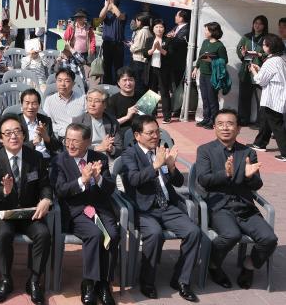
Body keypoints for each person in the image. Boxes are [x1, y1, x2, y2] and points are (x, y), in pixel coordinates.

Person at [195, 109, 278, 289]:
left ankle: (249, 265)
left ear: (238, 128)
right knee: (231, 234)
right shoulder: (205, 150)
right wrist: (225, 174)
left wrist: (249, 177)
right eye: (220, 124)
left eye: (230, 124)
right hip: (219, 207)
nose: (225, 128)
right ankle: (213, 264)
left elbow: (257, 185)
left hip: (245, 206)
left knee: (269, 238)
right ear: (215, 128)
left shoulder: (248, 152)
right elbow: (203, 180)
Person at [120, 115, 200, 301]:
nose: (155, 136)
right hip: (143, 209)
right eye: (150, 133)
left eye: (157, 132)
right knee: (154, 233)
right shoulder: (129, 154)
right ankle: (147, 281)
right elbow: (133, 179)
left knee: (193, 232)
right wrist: (156, 166)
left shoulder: (160, 151)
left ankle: (181, 280)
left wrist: (171, 167)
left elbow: (179, 182)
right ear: (137, 135)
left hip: (167, 205)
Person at [0, 115, 53, 305]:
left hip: (29, 212)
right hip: (3, 213)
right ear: (0, 138)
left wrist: (46, 198)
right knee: (4, 234)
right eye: (8, 133)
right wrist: (3, 191)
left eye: (17, 131)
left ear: (23, 134)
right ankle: (6, 279)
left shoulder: (35, 157)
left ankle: (34, 281)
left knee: (44, 234)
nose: (13, 136)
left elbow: (45, 184)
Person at [50, 123, 118, 305]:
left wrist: (98, 178)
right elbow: (60, 190)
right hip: (76, 212)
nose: (70, 145)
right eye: (67, 140)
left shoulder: (100, 158)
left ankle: (103, 284)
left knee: (112, 235)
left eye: (75, 141)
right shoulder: (59, 161)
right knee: (95, 235)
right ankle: (88, 283)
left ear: (87, 142)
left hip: (101, 210)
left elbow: (110, 189)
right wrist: (82, 180)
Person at [248, 34, 286, 159]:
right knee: (267, 121)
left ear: (270, 46)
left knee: (277, 125)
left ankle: (285, 153)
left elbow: (260, 80)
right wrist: (260, 69)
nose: (263, 46)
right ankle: (260, 144)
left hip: (273, 98)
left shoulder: (271, 61)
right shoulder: (280, 59)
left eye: (264, 44)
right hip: (275, 97)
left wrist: (254, 71)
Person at [192, 22, 228, 129]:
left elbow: (224, 60)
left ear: (212, 31)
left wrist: (211, 60)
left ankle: (213, 120)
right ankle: (206, 118)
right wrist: (196, 67)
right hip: (203, 74)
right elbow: (200, 56)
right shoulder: (205, 42)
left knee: (212, 98)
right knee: (204, 97)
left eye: (207, 30)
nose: (205, 32)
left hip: (212, 75)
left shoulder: (219, 45)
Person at [236, 15, 268, 126]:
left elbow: (270, 52)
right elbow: (239, 48)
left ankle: (261, 122)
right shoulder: (247, 37)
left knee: (261, 99)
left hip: (260, 70)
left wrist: (260, 54)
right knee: (244, 97)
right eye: (256, 23)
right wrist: (243, 52)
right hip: (246, 70)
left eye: (260, 23)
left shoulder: (267, 38)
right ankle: (243, 119)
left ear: (264, 26)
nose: (257, 25)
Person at [73, 88, 121, 158]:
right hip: (86, 157)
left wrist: (111, 149)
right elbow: (75, 146)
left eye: (96, 101)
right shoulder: (78, 121)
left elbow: (119, 148)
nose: (92, 104)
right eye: (89, 100)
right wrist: (96, 148)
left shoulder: (112, 121)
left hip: (108, 157)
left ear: (105, 105)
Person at [42, 68, 86, 140]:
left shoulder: (83, 99)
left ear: (73, 84)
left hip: (80, 138)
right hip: (59, 138)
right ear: (56, 82)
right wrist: (63, 131)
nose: (62, 84)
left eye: (67, 81)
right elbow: (48, 122)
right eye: (59, 80)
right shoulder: (49, 100)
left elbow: (87, 121)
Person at [17, 89, 61, 159]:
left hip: (46, 159)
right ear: (22, 104)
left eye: (34, 103)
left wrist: (46, 138)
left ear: (39, 105)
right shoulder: (16, 122)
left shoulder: (45, 120)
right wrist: (33, 142)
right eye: (27, 103)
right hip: (27, 160)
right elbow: (12, 146)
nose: (30, 107)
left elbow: (56, 147)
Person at [165, 10, 190, 119]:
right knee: (171, 86)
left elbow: (179, 42)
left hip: (179, 62)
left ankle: (178, 107)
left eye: (176, 15)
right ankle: (173, 106)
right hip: (170, 61)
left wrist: (172, 37)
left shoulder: (187, 29)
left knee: (178, 86)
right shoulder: (176, 28)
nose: (175, 17)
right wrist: (170, 37)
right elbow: (167, 36)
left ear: (181, 18)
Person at [147, 19, 173, 123]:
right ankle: (152, 114)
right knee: (152, 91)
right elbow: (145, 53)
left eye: (161, 27)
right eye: (157, 27)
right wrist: (153, 49)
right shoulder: (149, 39)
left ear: (164, 29)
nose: (159, 29)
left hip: (163, 70)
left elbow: (170, 55)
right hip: (152, 68)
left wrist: (160, 49)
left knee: (164, 92)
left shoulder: (168, 40)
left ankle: (167, 116)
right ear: (153, 29)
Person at [99, 0, 126, 85]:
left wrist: (112, 4)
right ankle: (107, 85)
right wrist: (106, 6)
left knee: (118, 67)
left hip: (118, 44)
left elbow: (119, 16)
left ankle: (119, 86)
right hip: (107, 44)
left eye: (108, 1)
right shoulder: (106, 15)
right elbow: (100, 16)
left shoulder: (123, 14)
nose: (106, 2)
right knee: (107, 67)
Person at [105, 67, 141, 132]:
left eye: (130, 80)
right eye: (124, 80)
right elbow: (109, 124)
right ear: (118, 82)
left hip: (141, 132)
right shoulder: (112, 101)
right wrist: (127, 117)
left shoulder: (141, 97)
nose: (128, 83)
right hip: (121, 134)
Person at [129, 13, 153, 95]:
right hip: (143, 60)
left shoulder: (143, 31)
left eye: (137, 21)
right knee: (142, 83)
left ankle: (139, 103)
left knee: (138, 83)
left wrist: (131, 46)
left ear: (141, 21)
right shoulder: (148, 30)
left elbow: (137, 47)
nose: (136, 23)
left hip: (139, 60)